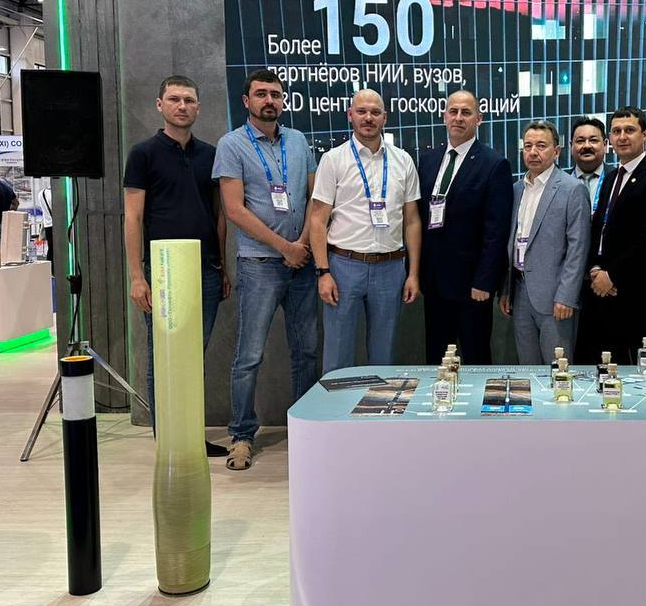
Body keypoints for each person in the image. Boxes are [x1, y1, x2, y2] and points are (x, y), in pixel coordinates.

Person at [212, 68, 320, 471]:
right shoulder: (232, 145)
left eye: (275, 94)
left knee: (306, 352)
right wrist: (284, 247)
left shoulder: (298, 141)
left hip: (302, 265)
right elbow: (234, 209)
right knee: (249, 355)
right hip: (259, 264)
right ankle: (242, 435)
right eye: (261, 94)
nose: (269, 100)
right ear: (247, 101)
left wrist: (302, 244)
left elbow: (314, 197)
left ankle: (307, 430)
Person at [124, 75, 231, 459]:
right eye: (174, 99)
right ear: (160, 105)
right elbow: (132, 217)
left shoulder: (210, 154)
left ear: (198, 107)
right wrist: (137, 276)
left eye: (188, 100)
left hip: (206, 269)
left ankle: (189, 437)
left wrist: (222, 266)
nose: (182, 106)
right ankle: (168, 442)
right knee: (164, 357)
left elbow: (219, 215)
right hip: (163, 273)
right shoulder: (143, 153)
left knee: (193, 357)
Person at [309, 89, 422, 372]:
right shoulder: (333, 159)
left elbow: (412, 221)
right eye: (361, 111)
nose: (368, 118)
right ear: (350, 115)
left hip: (391, 267)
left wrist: (413, 274)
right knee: (338, 354)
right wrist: (323, 272)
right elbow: (318, 220)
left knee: (384, 355)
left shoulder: (403, 161)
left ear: (385, 117)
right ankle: (336, 402)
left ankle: (380, 402)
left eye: (375, 112)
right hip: (343, 266)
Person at [416, 90, 513, 363]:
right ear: (444, 116)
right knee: (436, 359)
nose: (458, 118)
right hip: (434, 283)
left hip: (472, 286)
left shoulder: (494, 164)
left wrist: (485, 281)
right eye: (453, 111)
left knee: (475, 358)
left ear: (478, 119)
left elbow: (496, 231)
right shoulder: (428, 160)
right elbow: (419, 218)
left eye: (466, 113)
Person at [575, 106, 646, 364]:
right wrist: (595, 268)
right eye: (616, 131)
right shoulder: (611, 178)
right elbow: (599, 229)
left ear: (645, 135)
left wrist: (611, 275)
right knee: (608, 368)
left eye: (629, 130)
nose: (622, 137)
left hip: (637, 295)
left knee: (641, 371)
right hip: (603, 292)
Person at [499, 121, 591, 364]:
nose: (533, 152)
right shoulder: (516, 189)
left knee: (558, 370)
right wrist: (506, 290)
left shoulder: (572, 189)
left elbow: (578, 249)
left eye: (541, 146)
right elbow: (512, 243)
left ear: (556, 151)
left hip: (555, 298)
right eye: (528, 146)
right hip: (520, 292)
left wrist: (567, 296)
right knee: (528, 371)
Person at [569, 116, 607, 214]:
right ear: (571, 146)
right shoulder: (560, 183)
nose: (587, 146)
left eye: (593, 140)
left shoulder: (617, 179)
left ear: (605, 144)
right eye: (580, 141)